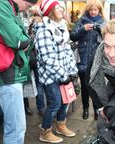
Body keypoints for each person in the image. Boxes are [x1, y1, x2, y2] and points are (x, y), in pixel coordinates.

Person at [0, 0, 37, 143]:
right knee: (15, 129)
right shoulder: (2, 3)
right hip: (6, 74)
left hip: (3, 73)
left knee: (13, 126)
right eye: (28, 5)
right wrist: (27, 41)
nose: (27, 8)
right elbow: (18, 40)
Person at [34, 0, 78, 143]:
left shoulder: (62, 28)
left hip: (64, 73)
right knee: (55, 103)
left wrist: (72, 71)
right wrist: (63, 75)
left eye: (62, 7)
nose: (61, 9)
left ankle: (61, 125)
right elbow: (48, 59)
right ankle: (45, 132)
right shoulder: (43, 31)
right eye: (57, 7)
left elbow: (68, 52)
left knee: (65, 101)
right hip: (50, 76)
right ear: (49, 11)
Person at [70, 0, 105, 120]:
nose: (93, 12)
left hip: (97, 60)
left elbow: (108, 38)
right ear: (87, 10)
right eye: (91, 9)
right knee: (85, 86)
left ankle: (96, 109)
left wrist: (100, 29)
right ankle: (85, 109)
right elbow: (73, 36)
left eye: (95, 10)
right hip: (82, 58)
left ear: (99, 10)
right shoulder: (81, 21)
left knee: (95, 86)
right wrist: (83, 29)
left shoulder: (104, 22)